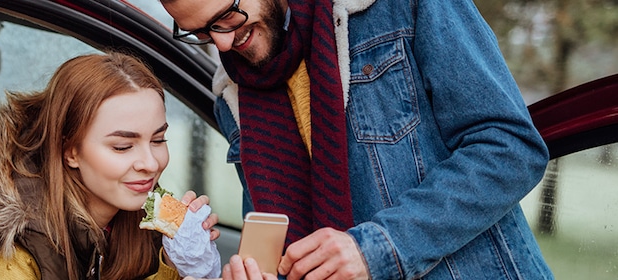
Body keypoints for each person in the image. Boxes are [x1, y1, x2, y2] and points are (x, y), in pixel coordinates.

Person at [158, 0, 553, 279]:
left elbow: (511, 148)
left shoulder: (398, 7)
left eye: (226, 16)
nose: (223, 44)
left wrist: (375, 249)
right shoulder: (233, 92)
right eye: (202, 33)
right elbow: (278, 237)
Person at [0, 52, 220, 280]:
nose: (151, 163)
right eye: (122, 146)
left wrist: (176, 261)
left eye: (158, 140)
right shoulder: (16, 251)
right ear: (70, 152)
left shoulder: (141, 221)